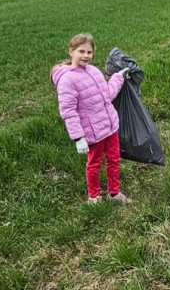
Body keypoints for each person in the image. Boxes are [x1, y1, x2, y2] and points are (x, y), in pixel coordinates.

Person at [51, 33, 133, 204]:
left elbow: (107, 94)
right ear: (71, 51)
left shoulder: (94, 71)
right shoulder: (67, 80)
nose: (86, 56)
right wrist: (78, 137)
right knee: (94, 163)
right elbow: (68, 111)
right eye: (81, 51)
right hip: (93, 131)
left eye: (89, 52)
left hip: (110, 125)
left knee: (113, 159)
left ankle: (114, 193)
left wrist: (118, 77)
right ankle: (94, 196)